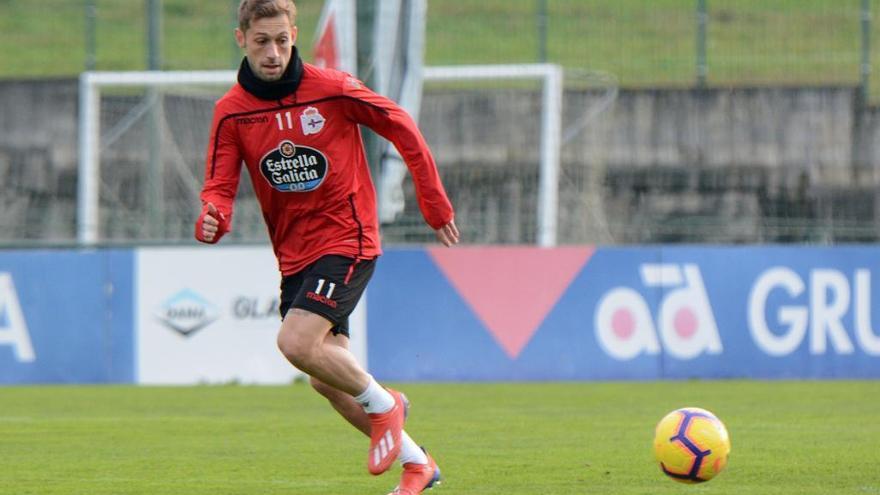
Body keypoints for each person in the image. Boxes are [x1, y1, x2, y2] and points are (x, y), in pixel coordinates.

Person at [194, 1, 459, 493]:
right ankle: (419, 463)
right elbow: (219, 185)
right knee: (325, 379)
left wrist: (434, 202)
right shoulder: (231, 113)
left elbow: (400, 124)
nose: (273, 53)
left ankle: (387, 405)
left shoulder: (332, 89)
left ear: (294, 35)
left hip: (348, 238)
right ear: (241, 39)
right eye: (261, 42)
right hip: (296, 257)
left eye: (281, 40)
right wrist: (214, 215)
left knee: (295, 344)